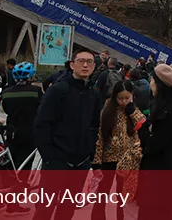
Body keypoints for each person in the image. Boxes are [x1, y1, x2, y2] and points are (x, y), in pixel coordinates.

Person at [33, 49, 102, 220]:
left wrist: (89, 154)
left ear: (94, 66)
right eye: (81, 61)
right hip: (57, 159)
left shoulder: (93, 93)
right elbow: (41, 124)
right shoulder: (58, 90)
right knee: (44, 208)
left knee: (67, 209)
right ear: (72, 65)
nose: (85, 65)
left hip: (81, 161)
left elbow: (94, 125)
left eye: (89, 62)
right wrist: (48, 156)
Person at [137, 63, 172, 220]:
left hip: (160, 182)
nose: (150, 84)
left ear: (161, 85)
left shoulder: (171, 112)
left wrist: (142, 130)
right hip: (163, 181)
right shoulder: (169, 106)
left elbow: (153, 144)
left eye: (153, 80)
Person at [92, 80, 146, 220]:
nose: (123, 101)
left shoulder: (134, 110)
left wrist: (132, 110)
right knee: (102, 193)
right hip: (109, 158)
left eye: (126, 98)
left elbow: (143, 125)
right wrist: (96, 162)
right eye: (120, 98)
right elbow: (100, 137)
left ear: (132, 95)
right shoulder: (107, 110)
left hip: (128, 160)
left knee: (123, 196)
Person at [0, 62, 43, 169]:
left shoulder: (6, 92)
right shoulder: (36, 91)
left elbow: (6, 109)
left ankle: (10, 181)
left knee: (11, 159)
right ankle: (21, 183)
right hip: (29, 131)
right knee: (25, 161)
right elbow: (42, 109)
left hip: (11, 131)